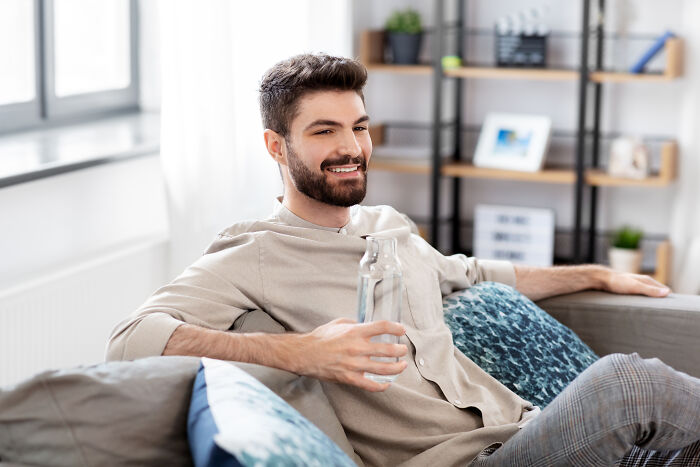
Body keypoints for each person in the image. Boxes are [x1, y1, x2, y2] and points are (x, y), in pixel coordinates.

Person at [107, 54, 699, 466]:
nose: (350, 148)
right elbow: (130, 339)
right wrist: (298, 352)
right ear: (275, 146)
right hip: (466, 463)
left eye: (359, 127)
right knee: (629, 383)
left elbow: (474, 274)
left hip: (527, 431)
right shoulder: (255, 252)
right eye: (324, 131)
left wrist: (594, 273)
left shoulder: (389, 226)